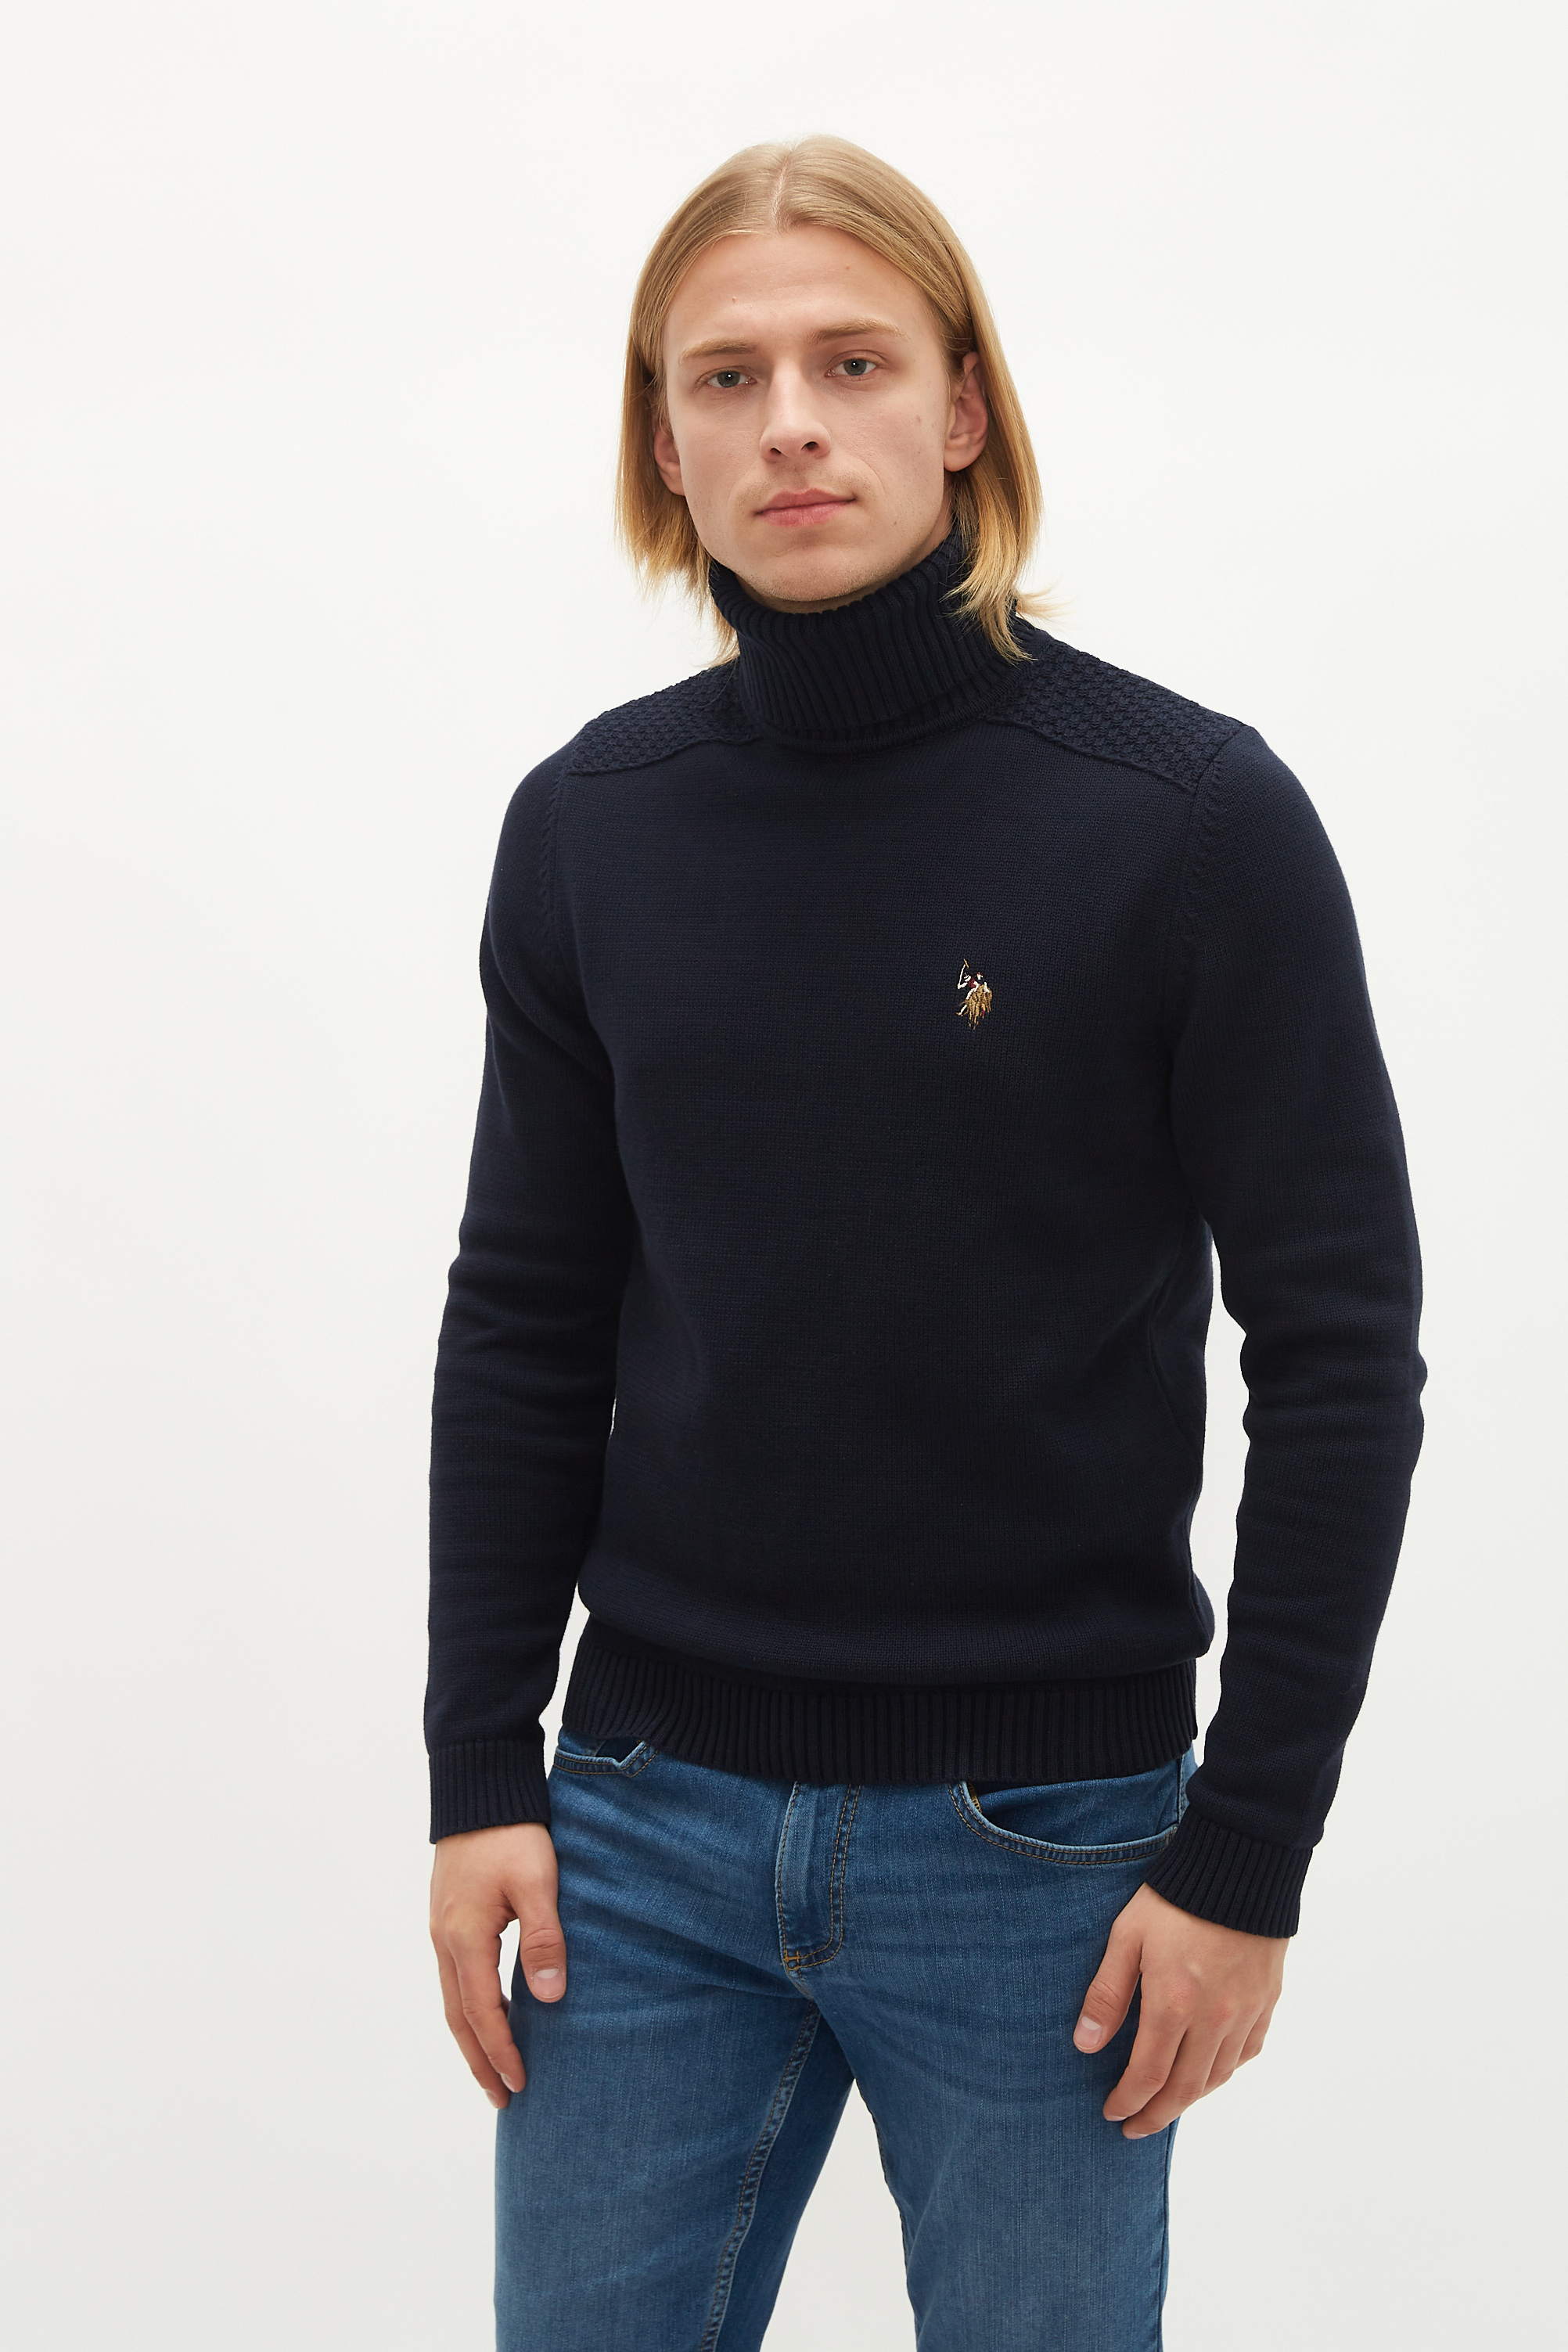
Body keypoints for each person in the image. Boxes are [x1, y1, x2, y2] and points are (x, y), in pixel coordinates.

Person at [424, 136, 1425, 2350]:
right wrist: (477, 1766)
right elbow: (523, 1318)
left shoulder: (1186, 821)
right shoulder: (588, 829)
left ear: (962, 408)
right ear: (664, 443)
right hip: (638, 1838)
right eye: (727, 377)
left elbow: (1341, 1352)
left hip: (1048, 1856)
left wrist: (1244, 1855)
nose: (790, 422)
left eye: (853, 363)